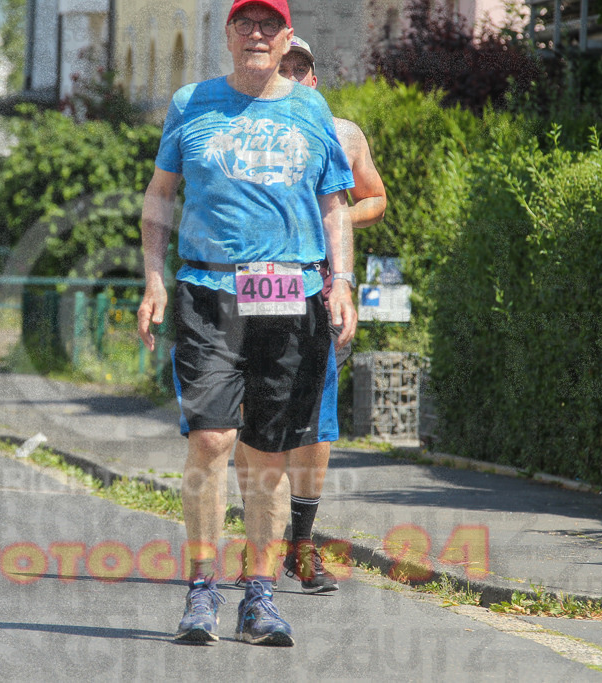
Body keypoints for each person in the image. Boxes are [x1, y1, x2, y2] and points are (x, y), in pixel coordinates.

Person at [137, 0, 356, 646]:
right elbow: (160, 194)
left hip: (292, 296)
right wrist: (154, 277)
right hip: (210, 291)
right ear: (228, 35)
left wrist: (342, 281)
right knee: (210, 440)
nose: (256, 34)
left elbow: (335, 204)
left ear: (286, 37)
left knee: (268, 453)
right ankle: (202, 588)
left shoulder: (312, 109)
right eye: (245, 24)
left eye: (268, 25)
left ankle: (259, 596)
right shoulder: (191, 103)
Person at [234, 36, 388, 593]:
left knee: (315, 416)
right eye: (285, 66)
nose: (293, 76)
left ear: (314, 80)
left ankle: (302, 543)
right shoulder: (241, 131)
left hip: (319, 288)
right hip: (255, 284)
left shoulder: (341, 133)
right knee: (252, 412)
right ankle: (260, 544)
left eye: (302, 69)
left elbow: (375, 197)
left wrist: (333, 222)